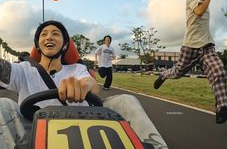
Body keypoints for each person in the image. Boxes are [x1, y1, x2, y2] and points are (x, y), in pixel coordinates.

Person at [0, 20, 168, 148]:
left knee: (125, 100)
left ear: (65, 45)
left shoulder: (77, 68)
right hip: (31, 131)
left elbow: (93, 85)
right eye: (44, 34)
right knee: (4, 104)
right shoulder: (22, 70)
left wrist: (84, 86)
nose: (49, 36)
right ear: (38, 45)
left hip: (83, 126)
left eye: (55, 34)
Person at [154, 0, 227, 124]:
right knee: (177, 72)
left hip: (207, 46)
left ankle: (222, 109)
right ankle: (163, 75)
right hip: (190, 46)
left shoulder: (203, 1)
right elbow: (199, 12)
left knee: (219, 71)